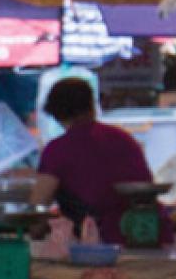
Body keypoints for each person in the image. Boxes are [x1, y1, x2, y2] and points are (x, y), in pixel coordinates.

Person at [31, 77, 157, 245]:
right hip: (151, 236)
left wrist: (37, 229)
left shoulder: (58, 149)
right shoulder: (123, 138)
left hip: (98, 241)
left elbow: (37, 208)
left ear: (55, 112)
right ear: (92, 106)